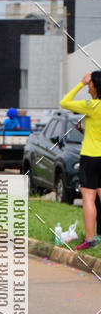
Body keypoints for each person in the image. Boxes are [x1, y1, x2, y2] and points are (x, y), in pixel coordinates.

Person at [60, 71, 101, 250]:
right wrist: (85, 131)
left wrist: (80, 83)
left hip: (91, 157)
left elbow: (64, 102)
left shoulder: (91, 105)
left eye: (90, 84)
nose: (88, 86)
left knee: (88, 198)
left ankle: (90, 239)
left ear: (94, 86)